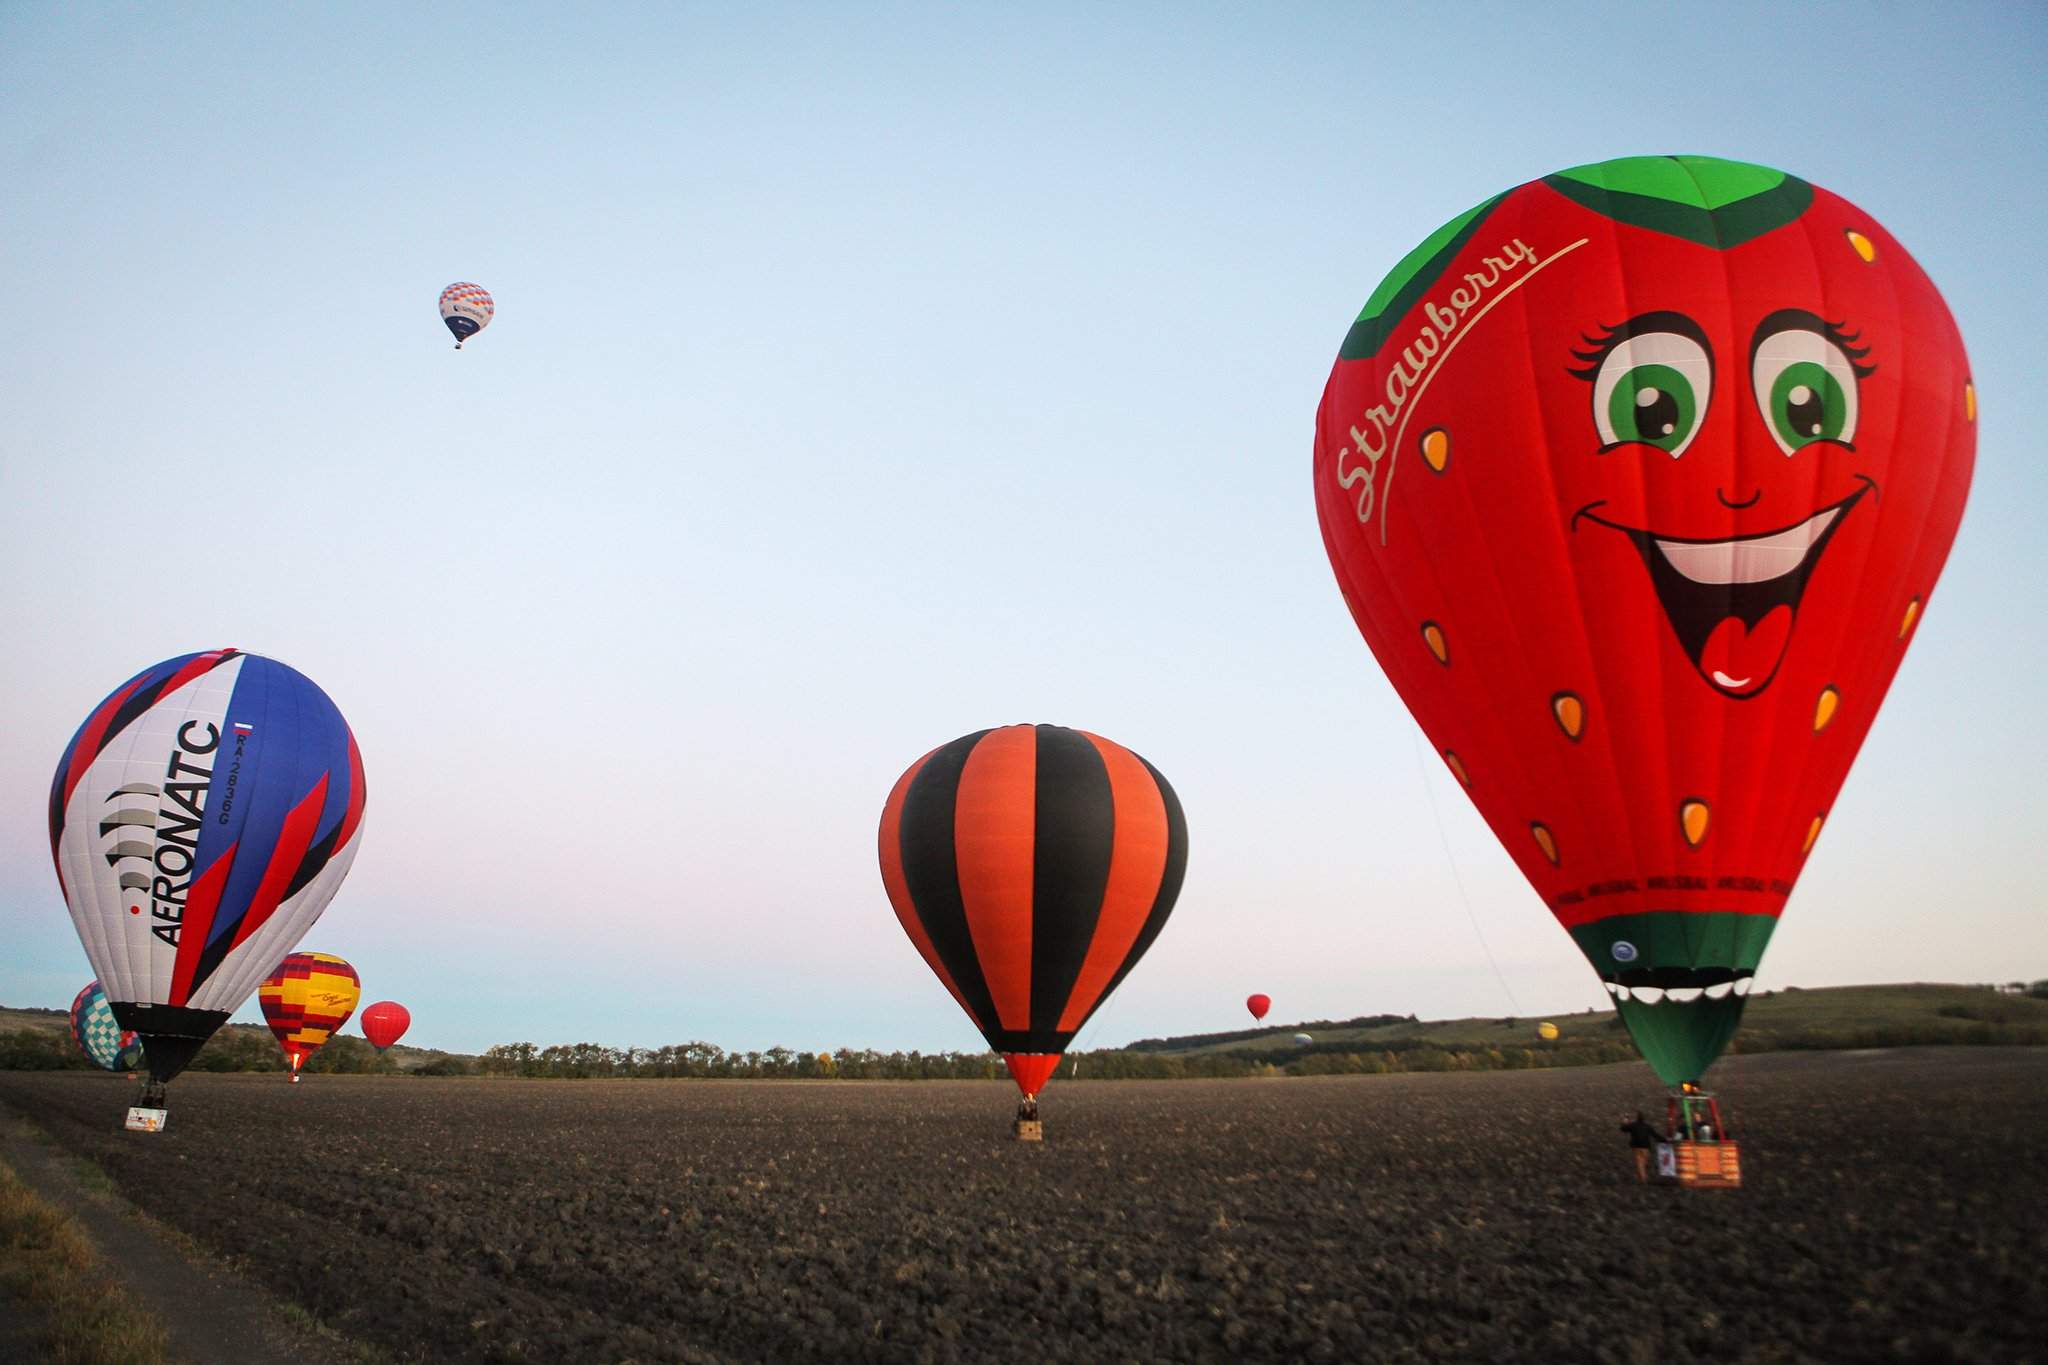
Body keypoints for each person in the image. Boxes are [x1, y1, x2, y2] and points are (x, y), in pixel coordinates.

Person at [1620, 1111, 1665, 1182]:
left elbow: (1623, 1128)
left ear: (1637, 1118)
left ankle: (1642, 1179)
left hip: (1636, 1147)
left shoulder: (1633, 1125)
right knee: (1644, 1162)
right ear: (1644, 1119)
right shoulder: (1647, 1126)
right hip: (1645, 1147)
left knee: (1639, 1163)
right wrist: (1665, 1140)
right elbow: (1655, 1135)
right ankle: (1643, 1178)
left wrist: (1625, 1118)